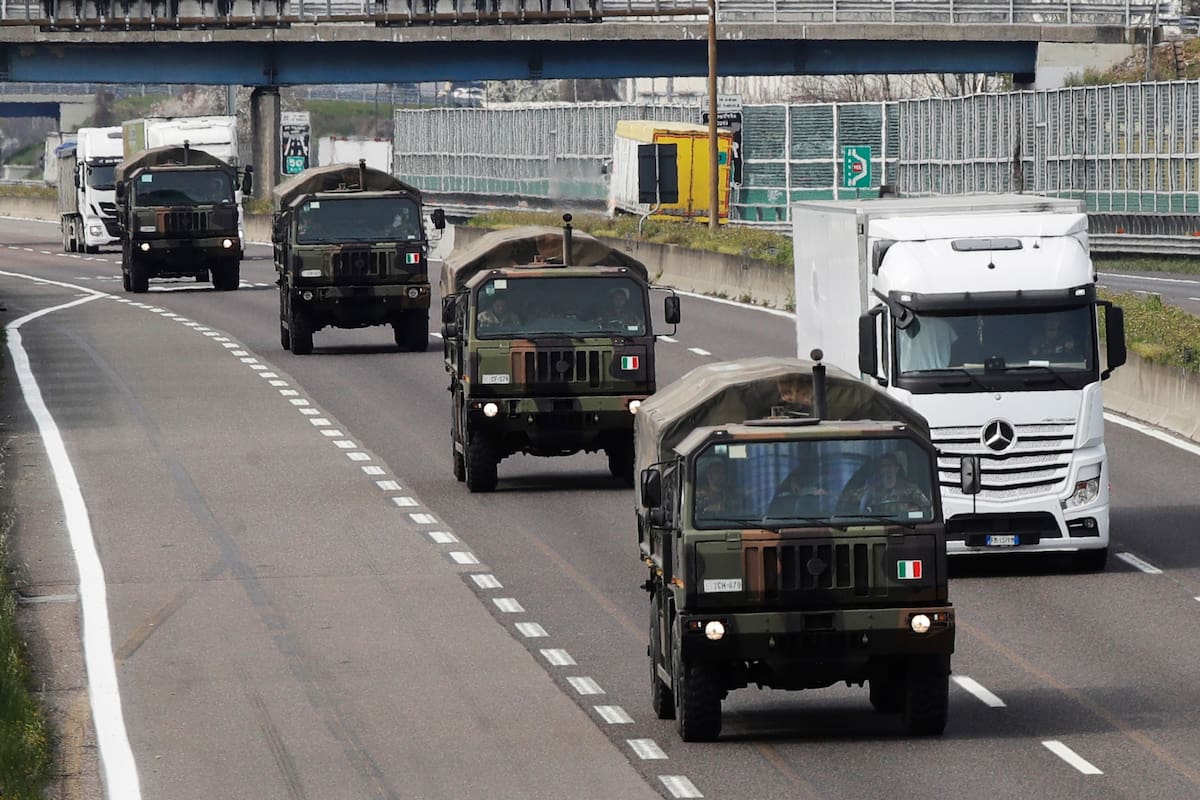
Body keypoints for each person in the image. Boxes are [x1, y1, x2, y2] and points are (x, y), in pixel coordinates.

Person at [854, 452, 930, 514]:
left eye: (889, 465)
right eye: (883, 466)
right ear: (880, 470)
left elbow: (927, 508)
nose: (886, 469)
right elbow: (853, 500)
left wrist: (914, 511)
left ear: (897, 468)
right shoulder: (871, 490)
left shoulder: (911, 489)